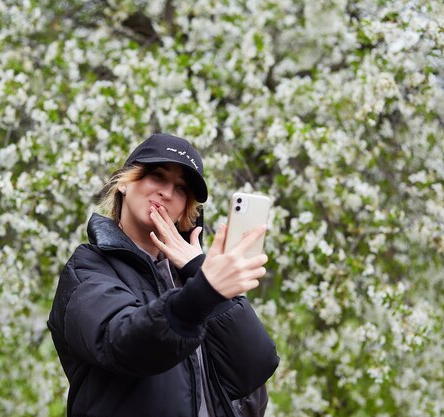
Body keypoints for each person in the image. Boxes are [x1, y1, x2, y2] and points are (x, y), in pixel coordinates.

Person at [47, 133, 279, 417]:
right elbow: (124, 342)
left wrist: (199, 272)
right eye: (157, 176)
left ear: (186, 208)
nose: (167, 193)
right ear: (123, 183)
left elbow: (255, 366)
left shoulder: (194, 276)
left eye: (180, 188)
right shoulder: (89, 269)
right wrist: (203, 292)